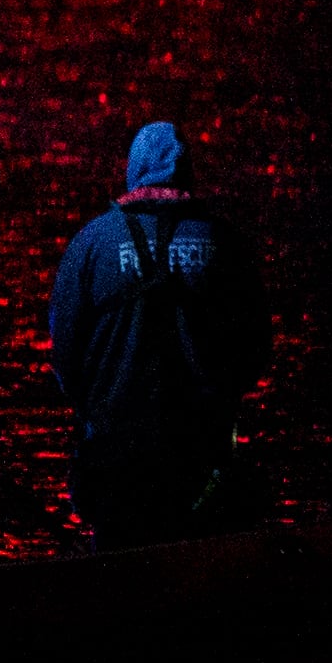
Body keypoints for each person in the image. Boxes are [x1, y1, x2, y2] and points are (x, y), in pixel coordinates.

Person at [48, 119, 270, 550]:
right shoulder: (225, 243)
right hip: (202, 453)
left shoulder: (91, 244)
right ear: (187, 172)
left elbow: (65, 351)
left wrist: (94, 410)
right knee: (203, 567)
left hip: (117, 453)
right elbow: (256, 346)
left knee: (119, 575)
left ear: (133, 172)